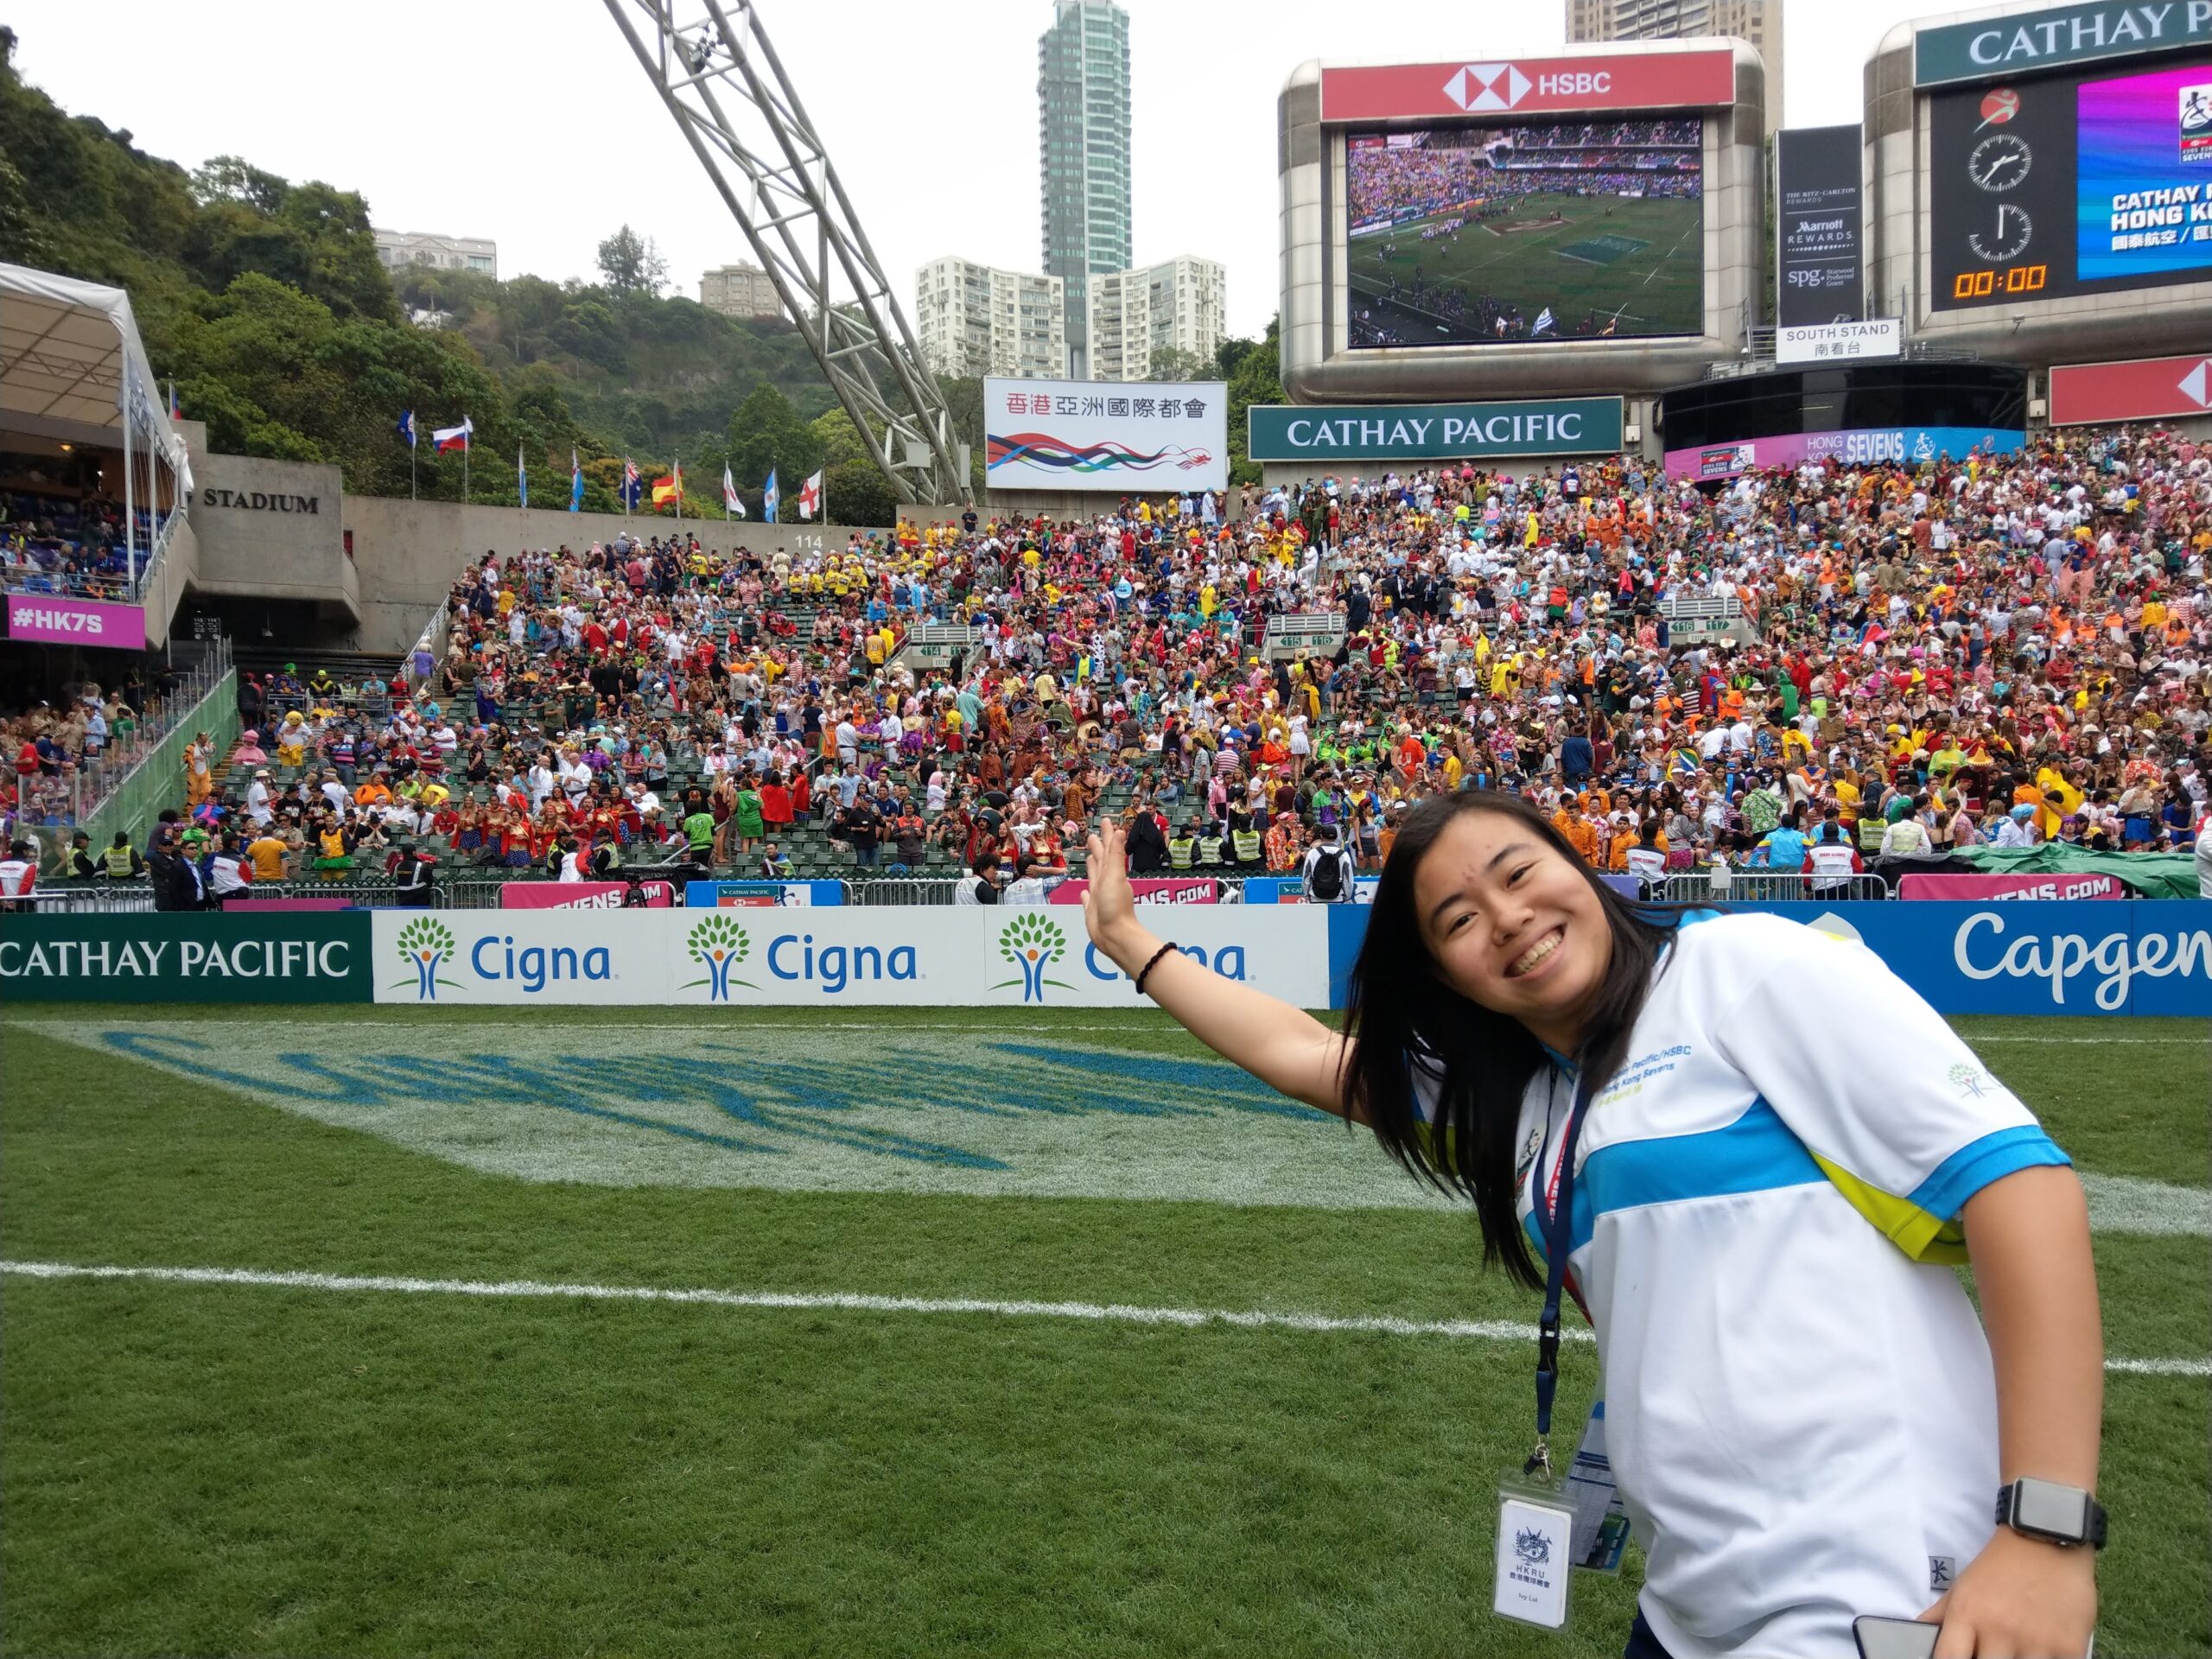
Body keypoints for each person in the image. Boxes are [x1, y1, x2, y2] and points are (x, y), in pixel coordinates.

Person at [1080, 792, 2102, 1659]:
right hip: (1688, 1606)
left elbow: (2017, 1186)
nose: (1508, 918)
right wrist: (1129, 941)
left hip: (1871, 1592)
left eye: (1519, 874)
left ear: (1581, 863)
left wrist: (2045, 1539)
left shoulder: (1737, 969)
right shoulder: (1536, 1101)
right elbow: (1307, 1056)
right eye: (1458, 920)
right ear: (1444, 974)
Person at [1299, 821, 1357, 904]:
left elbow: (1306, 876)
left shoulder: (1312, 853)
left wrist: (1306, 895)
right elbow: (1348, 879)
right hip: (1337, 898)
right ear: (1336, 836)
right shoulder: (1344, 855)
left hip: (1316, 897)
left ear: (1321, 836)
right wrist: (1347, 897)